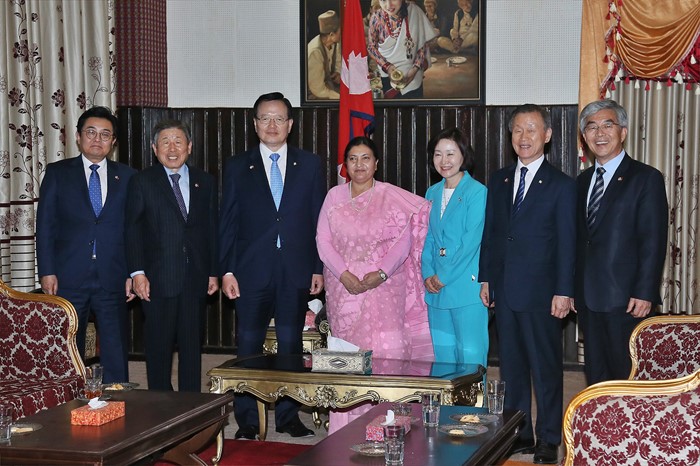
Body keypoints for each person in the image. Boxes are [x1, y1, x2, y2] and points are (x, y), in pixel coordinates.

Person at [219, 92, 325, 440]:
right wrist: (227, 270)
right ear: (255, 124)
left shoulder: (310, 164)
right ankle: (248, 420)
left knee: (291, 345)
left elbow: (318, 220)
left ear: (290, 125)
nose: (272, 125)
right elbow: (228, 221)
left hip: (295, 269)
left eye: (279, 118)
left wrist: (318, 267)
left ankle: (288, 417)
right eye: (265, 118)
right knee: (248, 345)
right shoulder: (237, 166)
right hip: (250, 271)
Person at [478, 104, 576, 464]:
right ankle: (519, 432)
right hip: (504, 289)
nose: (524, 137)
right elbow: (492, 234)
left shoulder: (562, 185)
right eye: (517, 130)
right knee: (512, 367)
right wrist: (486, 277)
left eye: (531, 129)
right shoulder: (499, 180)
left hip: (543, 293)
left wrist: (564, 290)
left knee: (545, 368)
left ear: (547, 135)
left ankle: (549, 437)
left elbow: (567, 243)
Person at [316, 136, 434, 433]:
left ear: (377, 163)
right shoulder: (334, 196)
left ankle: (389, 429)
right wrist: (344, 274)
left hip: (384, 289)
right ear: (345, 165)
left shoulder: (391, 197)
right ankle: (345, 432)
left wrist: (380, 273)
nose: (359, 164)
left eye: (365, 158)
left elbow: (403, 241)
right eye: (353, 159)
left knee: (387, 351)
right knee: (350, 360)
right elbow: (323, 240)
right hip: (344, 292)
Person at [36, 106, 135, 384]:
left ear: (113, 142)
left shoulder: (128, 177)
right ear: (78, 137)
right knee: (68, 344)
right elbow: (45, 226)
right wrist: (47, 271)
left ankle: (116, 398)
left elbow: (134, 230)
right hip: (68, 274)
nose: (97, 139)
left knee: (115, 345)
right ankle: (72, 397)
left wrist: (133, 272)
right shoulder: (58, 173)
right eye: (91, 132)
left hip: (113, 274)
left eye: (105, 134)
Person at [575, 99, 668, 386]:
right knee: (596, 378)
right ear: (584, 136)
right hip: (588, 299)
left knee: (627, 378)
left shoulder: (646, 178)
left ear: (623, 132)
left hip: (627, 300)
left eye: (607, 125)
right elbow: (579, 240)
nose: (599, 133)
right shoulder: (581, 181)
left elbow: (653, 240)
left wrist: (645, 292)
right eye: (592, 127)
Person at [125, 119, 218, 392]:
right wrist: (137, 273)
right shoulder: (142, 181)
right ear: (155, 149)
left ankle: (190, 404)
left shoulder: (205, 181)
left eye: (178, 141)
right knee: (158, 349)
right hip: (157, 278)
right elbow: (132, 230)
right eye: (165, 142)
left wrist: (213, 271)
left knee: (192, 348)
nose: (172, 148)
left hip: (195, 277)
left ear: (189, 146)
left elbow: (212, 228)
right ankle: (160, 405)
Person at [422, 128, 488, 367]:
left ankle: (472, 398)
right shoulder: (432, 192)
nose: (444, 160)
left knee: (470, 359)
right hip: (435, 290)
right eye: (438, 154)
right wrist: (428, 273)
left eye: (450, 153)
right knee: (443, 360)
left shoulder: (477, 192)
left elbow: (471, 242)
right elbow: (427, 237)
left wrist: (443, 276)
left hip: (465, 288)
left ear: (463, 155)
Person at [367, 0, 437, 98]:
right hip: (387, 74)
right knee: (393, 106)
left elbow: (422, 46)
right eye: (383, 0)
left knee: (413, 105)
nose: (388, 5)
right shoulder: (376, 17)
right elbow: (371, 47)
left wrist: (414, 70)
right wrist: (387, 67)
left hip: (413, 74)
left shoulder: (415, 12)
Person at [307, 10, 342, 100]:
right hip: (316, 96)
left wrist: (338, 72)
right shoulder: (315, 52)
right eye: (340, 31)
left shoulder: (335, 43)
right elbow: (318, 90)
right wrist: (342, 98)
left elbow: (338, 61)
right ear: (331, 35)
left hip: (330, 87)